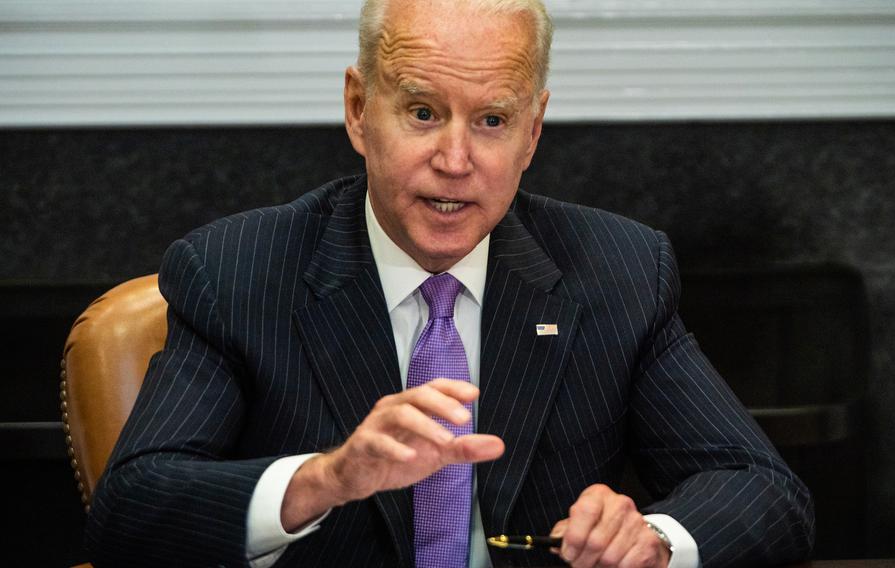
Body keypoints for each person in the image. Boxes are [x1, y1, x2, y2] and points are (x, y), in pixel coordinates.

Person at [86, 0, 814, 566]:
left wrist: (652, 538)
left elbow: (766, 491)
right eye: (424, 112)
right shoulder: (235, 271)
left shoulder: (620, 270)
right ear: (358, 109)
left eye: (492, 119)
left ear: (533, 132)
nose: (455, 159)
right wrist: (325, 479)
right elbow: (131, 511)